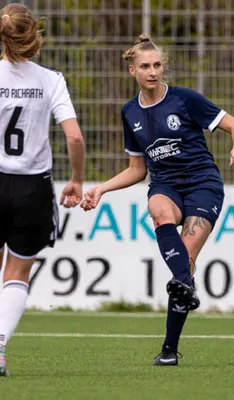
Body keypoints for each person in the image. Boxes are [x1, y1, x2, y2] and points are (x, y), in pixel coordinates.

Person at [81, 33, 234, 366]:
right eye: (145, 66)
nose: (153, 71)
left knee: (184, 261)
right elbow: (137, 170)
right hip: (165, 185)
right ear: (132, 70)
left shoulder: (185, 99)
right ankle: (187, 286)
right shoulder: (130, 112)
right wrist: (102, 188)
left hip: (202, 184)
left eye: (157, 65)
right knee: (158, 210)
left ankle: (169, 349)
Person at [0, 3, 85, 376]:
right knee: (17, 272)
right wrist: (77, 179)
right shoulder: (51, 80)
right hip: (32, 186)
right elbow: (74, 137)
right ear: (34, 33)